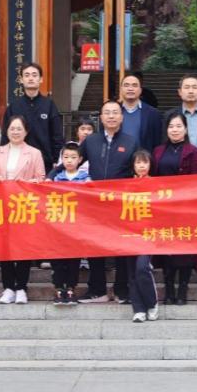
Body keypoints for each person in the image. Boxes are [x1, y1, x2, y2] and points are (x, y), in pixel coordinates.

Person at [78, 100, 138, 302]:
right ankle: (97, 289)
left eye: (115, 112)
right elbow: (73, 162)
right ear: (101, 117)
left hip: (121, 203)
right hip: (95, 203)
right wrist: (52, 176)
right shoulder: (91, 141)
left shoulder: (131, 142)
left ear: (121, 117)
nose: (111, 116)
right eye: (107, 113)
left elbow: (139, 168)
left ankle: (122, 289)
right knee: (94, 245)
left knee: (123, 246)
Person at [0, 115, 46, 304]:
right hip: (2, 205)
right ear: (7, 131)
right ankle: (8, 287)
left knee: (23, 247)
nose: (15, 132)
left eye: (19, 129)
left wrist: (26, 183)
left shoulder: (34, 153)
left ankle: (21, 287)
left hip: (24, 206)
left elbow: (41, 178)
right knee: (4, 247)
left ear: (26, 132)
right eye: (12, 128)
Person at [154, 112, 197, 305]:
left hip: (185, 209)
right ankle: (168, 291)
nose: (174, 130)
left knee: (184, 251)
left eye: (178, 126)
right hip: (163, 209)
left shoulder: (193, 151)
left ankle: (182, 290)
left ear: (185, 129)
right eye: (171, 126)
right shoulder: (158, 151)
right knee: (166, 250)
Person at [1, 63, 65, 170]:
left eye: (34, 75)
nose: (31, 78)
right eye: (27, 75)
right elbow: (5, 135)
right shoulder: (14, 106)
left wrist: (56, 159)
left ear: (41, 79)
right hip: (17, 162)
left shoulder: (49, 105)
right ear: (21, 80)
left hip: (45, 162)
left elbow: (57, 135)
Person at [51, 142, 90, 304]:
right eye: (66, 157)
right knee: (58, 257)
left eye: (73, 157)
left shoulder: (86, 178)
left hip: (77, 225)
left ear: (80, 159)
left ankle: (71, 288)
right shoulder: (56, 178)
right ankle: (59, 288)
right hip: (59, 224)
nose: (69, 160)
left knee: (74, 258)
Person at [127, 150, 160, 323]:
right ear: (133, 165)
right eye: (138, 162)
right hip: (127, 234)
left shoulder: (156, 184)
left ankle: (152, 304)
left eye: (145, 162)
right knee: (132, 272)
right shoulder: (125, 185)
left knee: (142, 268)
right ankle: (138, 309)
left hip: (148, 234)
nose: (141, 166)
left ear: (150, 164)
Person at [167, 75, 197, 148]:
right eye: (187, 87)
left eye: (194, 87)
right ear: (180, 92)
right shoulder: (169, 115)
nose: (191, 91)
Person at [118, 72, 163, 152]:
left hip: (143, 158)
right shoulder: (114, 112)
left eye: (134, 85)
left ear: (140, 90)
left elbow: (157, 142)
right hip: (118, 158)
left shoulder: (153, 114)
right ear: (121, 89)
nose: (130, 89)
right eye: (126, 85)